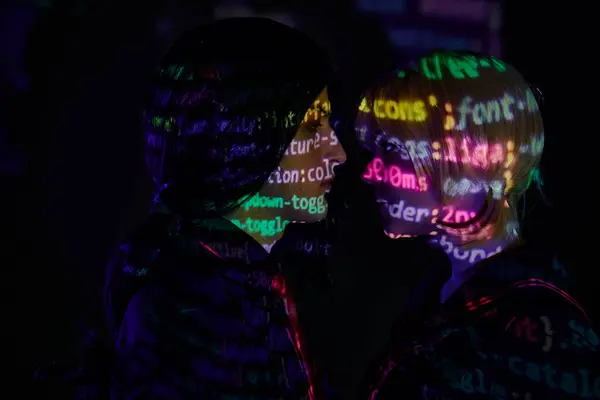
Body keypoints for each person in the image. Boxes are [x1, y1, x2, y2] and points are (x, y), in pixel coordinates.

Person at [105, 18, 346, 399]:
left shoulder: (263, 280)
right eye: (312, 128)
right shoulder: (186, 315)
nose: (337, 152)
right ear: (246, 137)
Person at [355, 51, 599, 399]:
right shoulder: (439, 294)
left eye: (393, 146)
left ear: (476, 153)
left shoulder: (543, 327)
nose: (371, 171)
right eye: (375, 149)